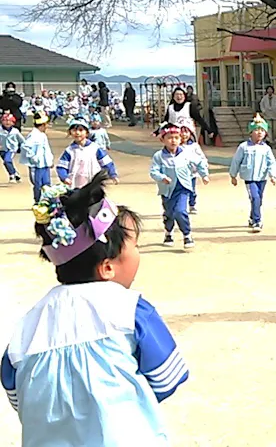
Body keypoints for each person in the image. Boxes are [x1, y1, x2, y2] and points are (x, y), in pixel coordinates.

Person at [1, 173, 189, 446]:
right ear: (108, 267)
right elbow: (166, 378)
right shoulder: (131, 311)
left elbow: (18, 396)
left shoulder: (26, 327)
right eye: (134, 246)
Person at [149, 123, 210, 249]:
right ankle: (168, 232)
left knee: (180, 211)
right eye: (170, 138)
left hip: (182, 188)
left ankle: (187, 234)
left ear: (180, 139)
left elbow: (199, 162)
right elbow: (153, 171)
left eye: (176, 138)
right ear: (163, 139)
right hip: (167, 189)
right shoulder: (159, 156)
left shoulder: (186, 153)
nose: (173, 141)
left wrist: (204, 175)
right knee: (169, 213)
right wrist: (162, 177)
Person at [229, 114, 276, 232]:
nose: (259, 132)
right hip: (249, 178)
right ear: (250, 132)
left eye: (262, 130)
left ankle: (252, 217)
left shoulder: (266, 148)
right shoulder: (244, 147)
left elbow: (271, 162)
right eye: (256, 130)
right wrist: (233, 175)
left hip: (262, 177)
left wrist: (273, 175)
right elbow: (236, 161)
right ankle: (257, 221)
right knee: (255, 197)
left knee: (259, 199)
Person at [57, 118, 118, 189]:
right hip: (75, 184)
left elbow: (106, 162)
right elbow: (62, 166)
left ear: (87, 133)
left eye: (80, 130)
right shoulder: (69, 151)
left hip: (93, 182)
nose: (77, 133)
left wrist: (113, 174)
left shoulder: (95, 148)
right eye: (74, 130)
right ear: (70, 132)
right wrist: (64, 177)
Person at [21, 112, 54, 202]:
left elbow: (46, 149)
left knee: (47, 183)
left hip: (45, 164)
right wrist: (33, 157)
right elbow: (25, 147)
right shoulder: (33, 135)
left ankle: (47, 200)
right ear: (42, 125)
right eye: (46, 124)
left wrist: (50, 160)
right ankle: (38, 201)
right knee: (38, 184)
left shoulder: (42, 135)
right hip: (36, 165)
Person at [179, 123, 206, 215]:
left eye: (186, 132)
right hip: (180, 173)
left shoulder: (194, 146)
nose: (184, 134)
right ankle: (181, 206)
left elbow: (201, 157)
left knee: (192, 190)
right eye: (181, 132)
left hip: (192, 173)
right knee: (181, 190)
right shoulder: (176, 146)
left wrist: (204, 171)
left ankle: (192, 205)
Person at [0, 112, 23, 183]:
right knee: (7, 162)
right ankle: (16, 173)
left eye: (10, 121)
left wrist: (22, 148)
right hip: (2, 149)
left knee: (7, 160)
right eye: (5, 120)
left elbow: (22, 141)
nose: (7, 122)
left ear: (13, 123)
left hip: (12, 149)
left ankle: (12, 175)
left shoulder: (15, 131)